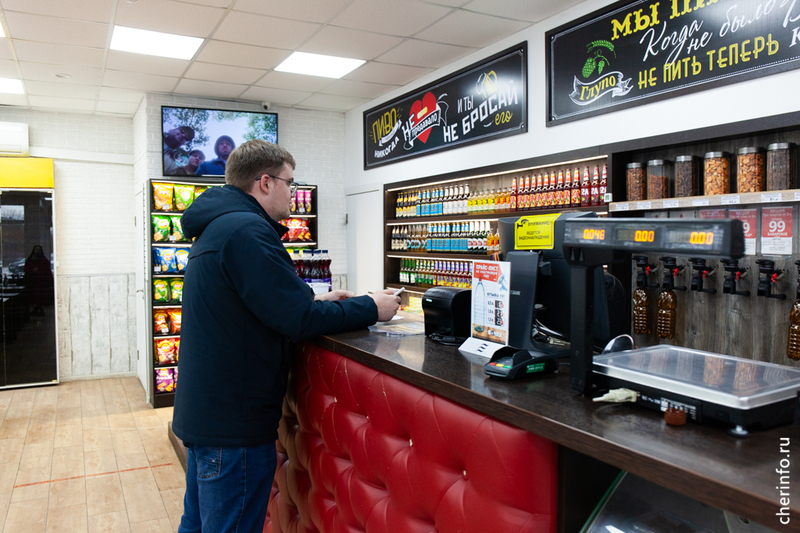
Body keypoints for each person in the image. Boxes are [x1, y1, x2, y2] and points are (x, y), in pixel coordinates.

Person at [172, 140, 399, 533]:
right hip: (235, 425)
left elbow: (257, 305)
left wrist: (313, 298)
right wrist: (371, 307)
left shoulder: (220, 227)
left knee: (197, 525)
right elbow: (298, 320)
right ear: (265, 182)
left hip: (209, 415)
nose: (293, 192)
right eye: (290, 182)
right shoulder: (248, 231)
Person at [23, 245, 53, 316]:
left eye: (39, 249)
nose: (38, 251)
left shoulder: (44, 260)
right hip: (32, 282)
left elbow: (47, 271)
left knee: (40, 297)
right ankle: (37, 309)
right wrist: (32, 270)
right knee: (33, 297)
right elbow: (26, 269)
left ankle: (39, 309)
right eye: (36, 249)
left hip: (41, 282)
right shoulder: (30, 260)